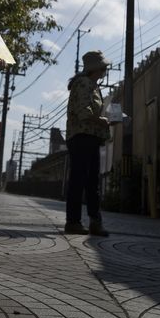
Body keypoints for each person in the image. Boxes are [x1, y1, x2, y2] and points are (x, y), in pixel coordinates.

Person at [63, 50, 111, 237]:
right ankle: (74, 221)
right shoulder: (84, 84)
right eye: (104, 66)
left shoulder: (91, 84)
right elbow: (85, 113)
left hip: (88, 136)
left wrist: (104, 119)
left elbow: (88, 112)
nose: (106, 69)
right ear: (96, 68)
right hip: (83, 136)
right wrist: (105, 120)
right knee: (82, 180)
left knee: (90, 181)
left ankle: (93, 222)